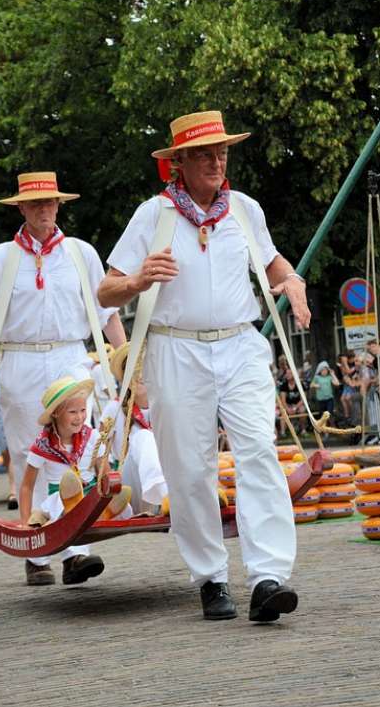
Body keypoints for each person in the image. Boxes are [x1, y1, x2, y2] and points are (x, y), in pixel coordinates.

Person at [98, 110, 311, 623]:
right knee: (189, 468)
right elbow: (106, 289)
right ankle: (212, 578)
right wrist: (137, 281)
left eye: (222, 153)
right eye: (205, 155)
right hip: (176, 349)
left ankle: (267, 577)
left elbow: (273, 261)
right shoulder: (154, 215)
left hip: (240, 344)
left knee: (259, 451)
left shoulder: (244, 209)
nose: (217, 162)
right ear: (180, 163)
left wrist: (293, 281)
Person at [0, 171, 126, 585]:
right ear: (20, 207)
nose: (44, 209)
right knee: (28, 453)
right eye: (35, 203)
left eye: (50, 202)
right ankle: (35, 552)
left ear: (59, 204)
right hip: (20, 362)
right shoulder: (1, 258)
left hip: (71, 357)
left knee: (77, 448)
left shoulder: (80, 252)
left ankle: (75, 551)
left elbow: (106, 312)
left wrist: (124, 360)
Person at [19, 376, 105, 585]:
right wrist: (24, 524)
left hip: (89, 497)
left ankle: (74, 561)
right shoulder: (43, 445)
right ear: (56, 413)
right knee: (66, 503)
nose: (80, 417)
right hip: (58, 500)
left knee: (104, 501)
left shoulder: (92, 437)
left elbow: (104, 473)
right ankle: (71, 559)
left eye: (83, 410)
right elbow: (27, 486)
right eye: (73, 412)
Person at [101, 342, 168, 515]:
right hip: (128, 487)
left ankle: (166, 498)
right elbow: (100, 454)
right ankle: (166, 497)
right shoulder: (114, 409)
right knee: (143, 437)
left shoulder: (165, 406)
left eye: (144, 369)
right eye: (133, 370)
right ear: (124, 378)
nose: (139, 376)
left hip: (168, 475)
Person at [279, 368, 308, 438]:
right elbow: (283, 401)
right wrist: (288, 409)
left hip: (298, 405)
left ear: (294, 375)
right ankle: (283, 432)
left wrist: (295, 408)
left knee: (302, 410)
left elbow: (303, 399)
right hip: (288, 405)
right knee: (283, 412)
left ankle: (303, 430)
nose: (287, 375)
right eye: (287, 373)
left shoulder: (300, 384)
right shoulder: (284, 385)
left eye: (290, 373)